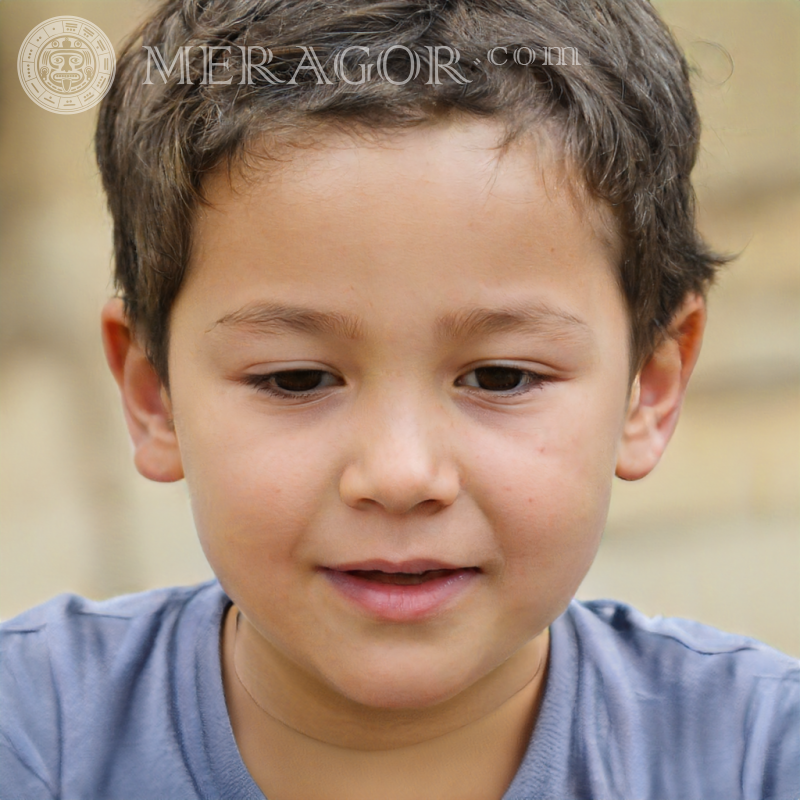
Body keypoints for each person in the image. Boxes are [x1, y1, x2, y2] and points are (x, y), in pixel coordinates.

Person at [1, 0, 798, 798]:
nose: (400, 474)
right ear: (153, 395)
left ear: (648, 389)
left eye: (500, 377)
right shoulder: (36, 734)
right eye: (296, 379)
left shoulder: (756, 759)